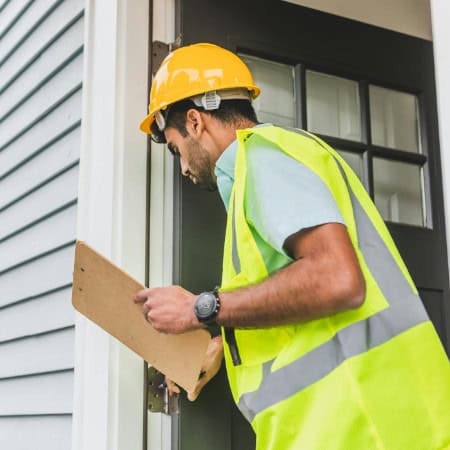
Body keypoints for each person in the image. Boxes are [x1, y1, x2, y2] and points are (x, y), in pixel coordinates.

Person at [134, 43, 450, 449]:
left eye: (176, 148)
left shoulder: (264, 158)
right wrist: (219, 347)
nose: (182, 167)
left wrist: (200, 309)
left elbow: (337, 279)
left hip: (369, 429)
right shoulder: (266, 169)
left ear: (195, 122)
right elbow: (295, 303)